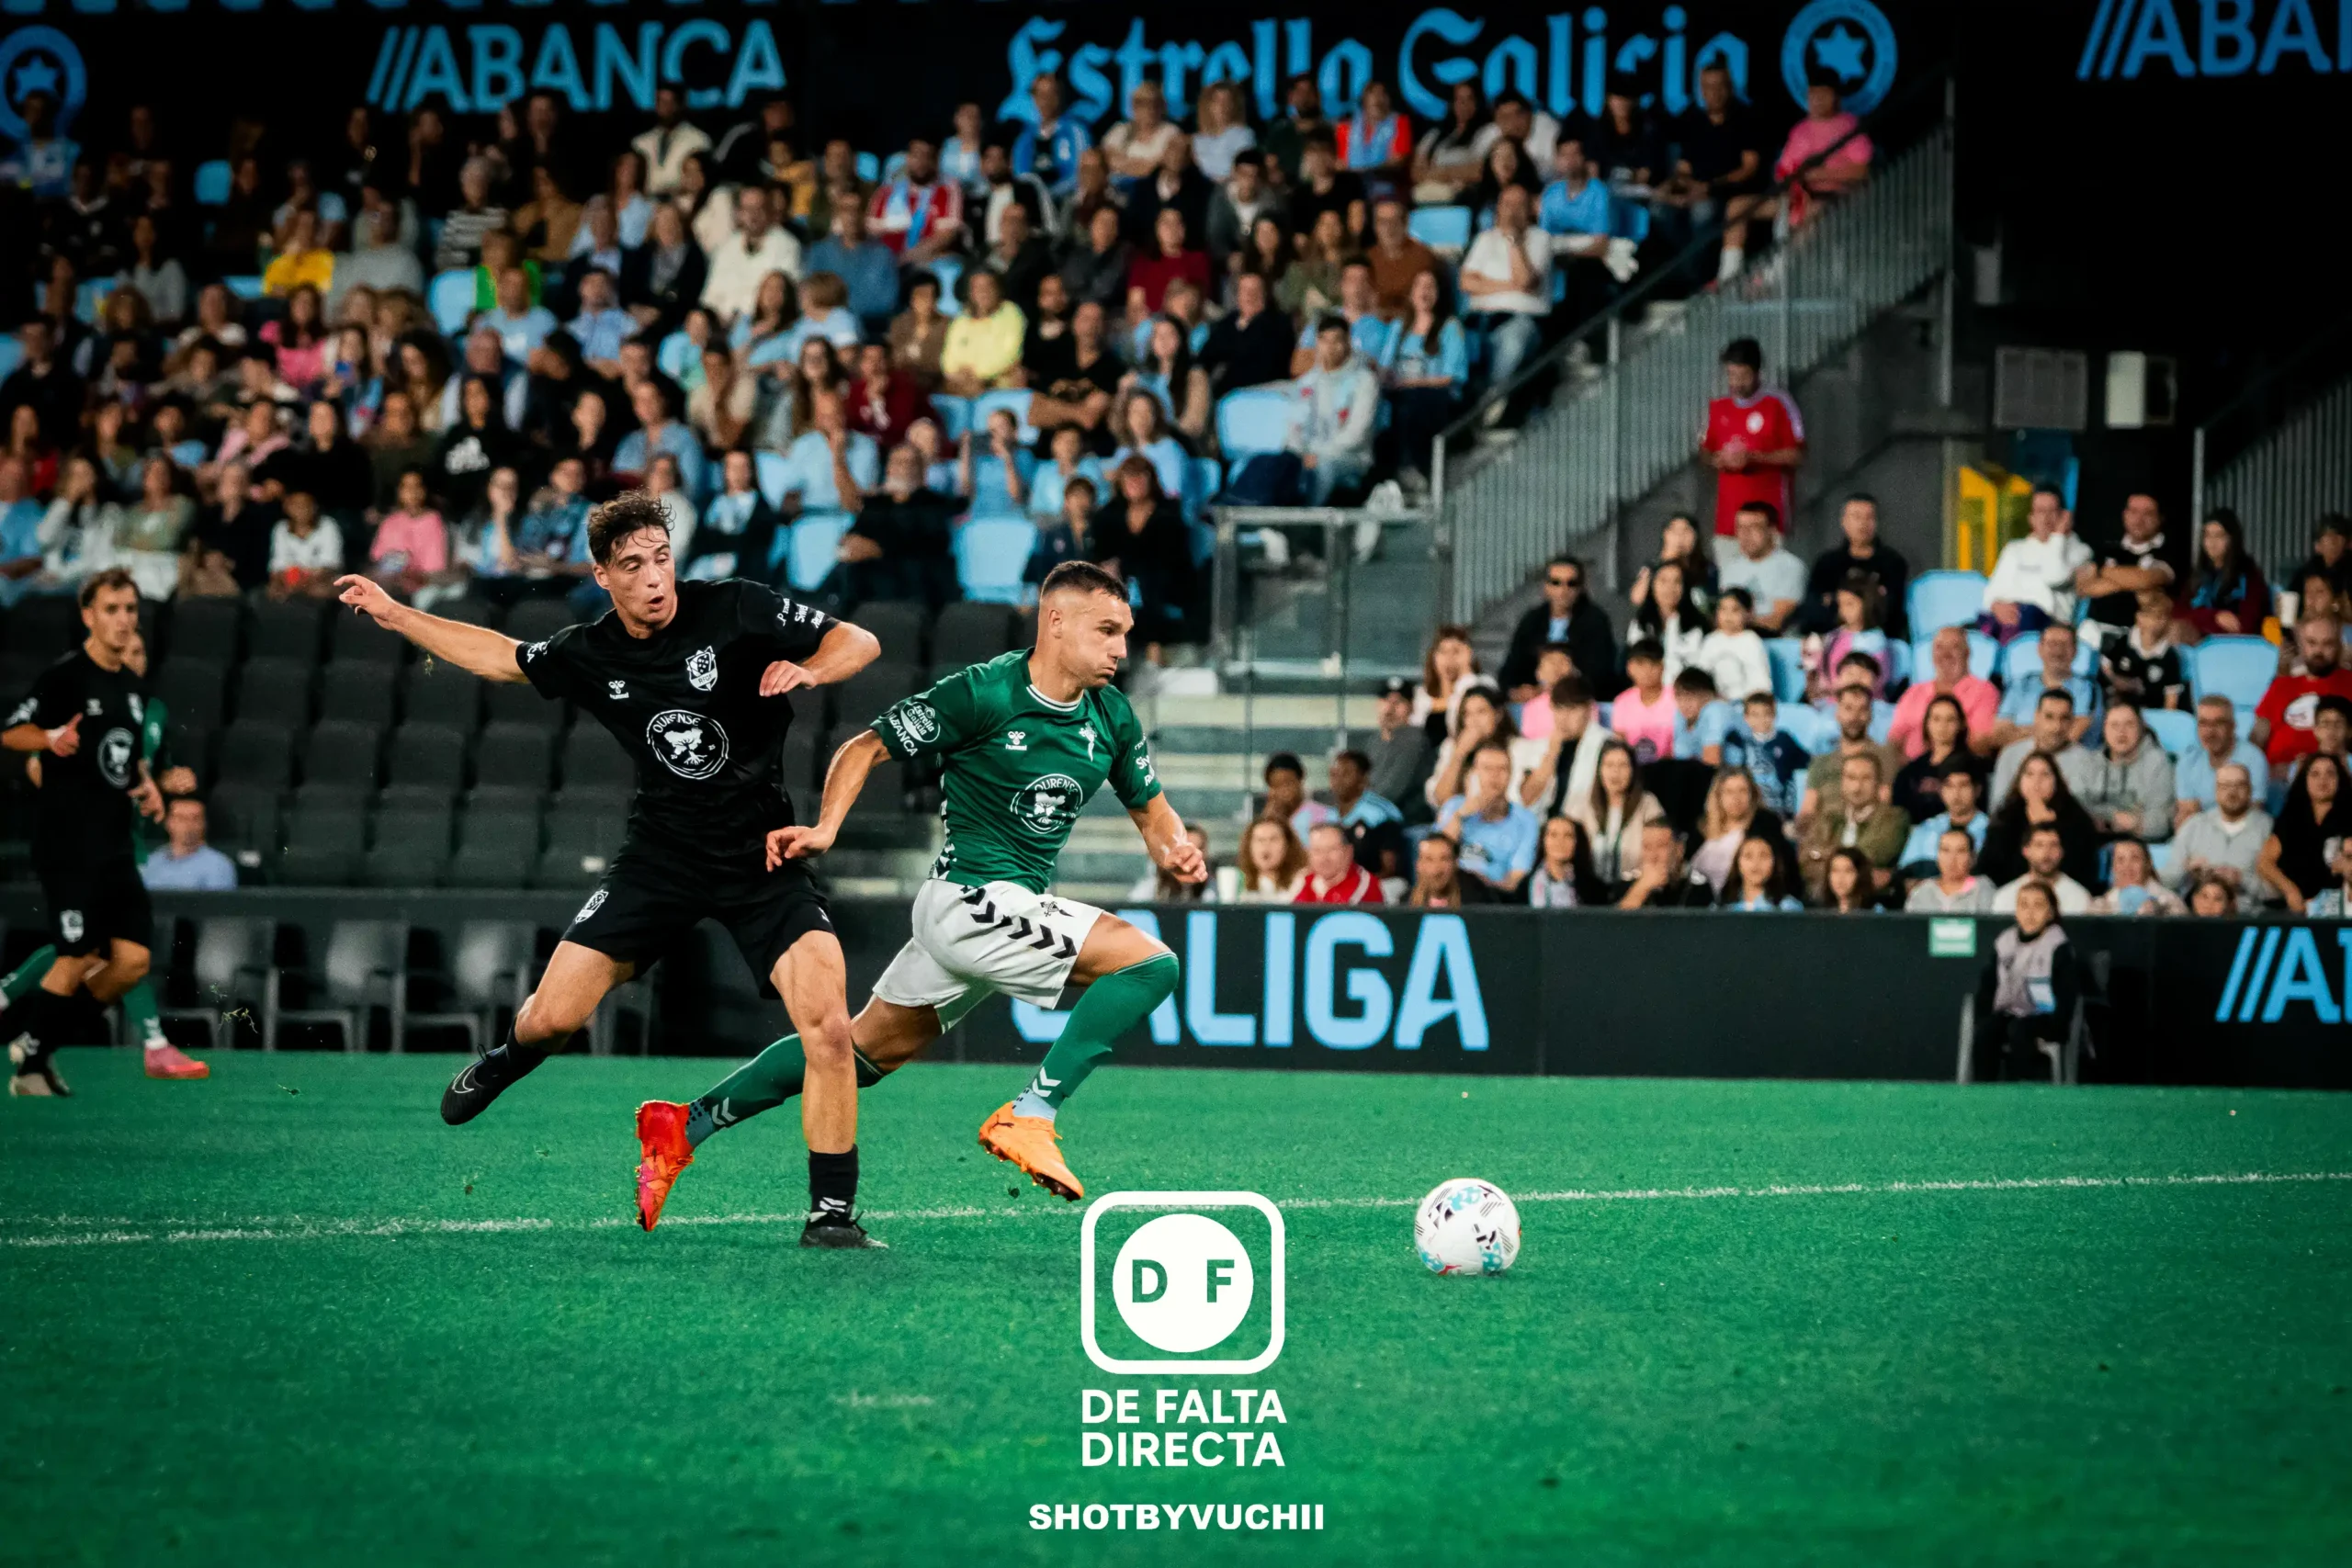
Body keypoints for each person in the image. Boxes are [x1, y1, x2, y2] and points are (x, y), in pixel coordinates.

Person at [335, 494, 889, 1245]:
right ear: (602, 575)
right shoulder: (590, 651)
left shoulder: (736, 608)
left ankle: (831, 1216)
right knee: (551, 1018)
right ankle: (506, 1058)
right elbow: (502, 656)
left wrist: (810, 671)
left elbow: (859, 641)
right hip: (659, 858)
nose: (656, 578)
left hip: (763, 854)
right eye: (634, 566)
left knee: (826, 1023)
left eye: (662, 558)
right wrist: (400, 615)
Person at [638, 558, 1198, 1221]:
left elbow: (1151, 807)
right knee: (1151, 964)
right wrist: (825, 827)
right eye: (1107, 630)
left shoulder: (1111, 715)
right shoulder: (983, 693)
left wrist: (1175, 849)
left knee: (857, 1054)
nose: (1120, 649)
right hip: (971, 900)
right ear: (1055, 620)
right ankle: (1031, 1113)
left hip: (993, 913)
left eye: (1125, 633)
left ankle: (682, 1125)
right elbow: (863, 747)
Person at [2, 570, 210, 1092]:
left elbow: (125, 762)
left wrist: (149, 786)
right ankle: (30, 1067)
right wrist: (50, 739)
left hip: (117, 845)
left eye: (130, 609)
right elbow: (12, 731)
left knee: (131, 962)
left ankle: (37, 1044)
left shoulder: (134, 691)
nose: (123, 619)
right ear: (88, 616)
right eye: (112, 609)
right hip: (69, 845)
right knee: (74, 957)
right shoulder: (66, 678)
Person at [1971, 881, 2078, 1083]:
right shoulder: (2005, 942)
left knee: (2019, 1031)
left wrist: (2056, 1023)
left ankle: (2024, 1089)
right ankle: (1981, 1092)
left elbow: (2066, 995)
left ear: (2050, 912)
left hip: (2046, 1017)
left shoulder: (2058, 946)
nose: (2030, 913)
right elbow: (1988, 986)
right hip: (2010, 1012)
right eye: (2023, 905)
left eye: (2038, 906)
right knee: (1987, 1031)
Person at [1699, 339, 1804, 544]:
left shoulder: (1778, 403)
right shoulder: (1718, 405)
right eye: (1731, 375)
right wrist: (1716, 460)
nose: (1736, 383)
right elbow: (1705, 451)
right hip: (1728, 526)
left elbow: (1797, 456)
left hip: (1770, 523)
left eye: (1743, 376)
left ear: (1757, 372)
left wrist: (1754, 458)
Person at [1458, 184, 1552, 403]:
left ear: (1530, 209)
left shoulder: (1541, 238)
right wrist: (1510, 285)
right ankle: (1462, 402)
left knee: (1513, 341)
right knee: (1453, 337)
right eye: (1507, 204)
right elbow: (1466, 282)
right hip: (1478, 318)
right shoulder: (1485, 238)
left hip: (1520, 319)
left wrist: (1513, 240)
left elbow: (1526, 281)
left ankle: (1491, 400)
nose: (1512, 210)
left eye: (1519, 205)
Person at [1288, 316, 1380, 507]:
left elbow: (1356, 434)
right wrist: (1300, 454)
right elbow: (1293, 428)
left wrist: (1318, 454)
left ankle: (1309, 524)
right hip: (1308, 456)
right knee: (1280, 464)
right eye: (1324, 340)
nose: (1330, 347)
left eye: (1336, 340)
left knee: (1324, 467)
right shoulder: (1306, 383)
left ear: (1347, 342)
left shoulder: (1364, 381)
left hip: (1350, 459)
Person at [1499, 553, 1619, 698]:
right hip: (1534, 705)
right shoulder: (1532, 620)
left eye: (1571, 583)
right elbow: (1510, 668)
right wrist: (1515, 692)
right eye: (1556, 582)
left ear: (1581, 588)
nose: (1563, 591)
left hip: (1577, 701)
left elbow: (1601, 675)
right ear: (1546, 586)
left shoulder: (1596, 620)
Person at [1981, 485, 2093, 639]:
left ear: (2064, 516)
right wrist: (1997, 606)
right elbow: (1991, 592)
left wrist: (2058, 537)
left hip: (2051, 627)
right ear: (2031, 518)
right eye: (2040, 511)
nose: (2046, 518)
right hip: (2009, 623)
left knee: (2030, 615)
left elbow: (2055, 577)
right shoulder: (2014, 549)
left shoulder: (2079, 550)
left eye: (2052, 511)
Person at [2253, 612, 2352, 778]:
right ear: (2301, 645)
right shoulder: (2281, 685)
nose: (2319, 651)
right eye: (2312, 643)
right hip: (2279, 779)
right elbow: (2256, 738)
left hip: (2336, 777)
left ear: (2339, 646)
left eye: (2327, 644)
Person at [1435, 741, 1541, 897]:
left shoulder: (1526, 820)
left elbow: (1513, 881)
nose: (1495, 775)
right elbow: (1436, 860)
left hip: (1493, 897)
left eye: (1502, 769)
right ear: (1473, 773)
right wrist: (1460, 816)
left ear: (1511, 775)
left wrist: (1481, 885)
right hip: (1449, 893)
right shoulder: (1453, 807)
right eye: (1487, 768)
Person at [1798, 750, 1908, 899]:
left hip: (1872, 901)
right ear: (1842, 782)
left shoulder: (1893, 818)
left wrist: (1822, 855)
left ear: (1878, 783)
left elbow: (1869, 856)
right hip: (1825, 900)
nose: (1857, 787)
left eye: (1866, 778)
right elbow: (1805, 861)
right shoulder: (1828, 817)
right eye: (1851, 778)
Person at [2076, 491, 2185, 640]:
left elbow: (2145, 580)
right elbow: (2084, 586)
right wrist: (2131, 581)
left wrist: (2102, 573)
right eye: (2134, 512)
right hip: (2095, 630)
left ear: (2160, 519)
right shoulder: (2107, 550)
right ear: (2125, 515)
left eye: (2148, 514)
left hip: (2142, 636)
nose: (2139, 520)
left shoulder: (2169, 553)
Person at [2257, 750, 2352, 916]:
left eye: (2330, 773)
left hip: (2341, 908)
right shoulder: (2291, 817)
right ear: (2305, 780)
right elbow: (2265, 862)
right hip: (2295, 907)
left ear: (2340, 780)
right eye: (2315, 774)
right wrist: (2290, 891)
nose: (2323, 780)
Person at [2170, 761, 2270, 912]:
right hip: (2199, 918)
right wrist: (2187, 869)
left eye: (2239, 785)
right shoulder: (2194, 826)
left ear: (2250, 790)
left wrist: (2243, 880)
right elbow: (2167, 881)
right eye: (2225, 786)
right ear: (2216, 791)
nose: (2232, 792)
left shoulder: (2269, 828)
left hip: (2249, 919)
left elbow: (2279, 892)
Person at [2078, 703, 2177, 842]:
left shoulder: (2158, 762)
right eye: (2114, 725)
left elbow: (2161, 824)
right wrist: (2118, 819)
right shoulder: (2090, 762)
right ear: (2104, 729)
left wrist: (2109, 819)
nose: (2121, 732)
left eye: (2129, 724)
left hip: (2143, 845)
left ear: (2141, 728)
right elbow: (2077, 811)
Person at [1991, 621, 2098, 750]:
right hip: (2017, 758)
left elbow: (2073, 735)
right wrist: (2049, 733)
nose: (2058, 651)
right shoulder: (2019, 685)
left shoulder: (2086, 688)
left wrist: (2022, 731)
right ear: (2039, 649)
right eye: (2052, 644)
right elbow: (1999, 734)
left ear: (2075, 651)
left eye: (2064, 645)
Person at [1572, 739, 1662, 888]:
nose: (1615, 772)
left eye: (1623, 765)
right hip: (1588, 888)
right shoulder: (1581, 803)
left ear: (1633, 770)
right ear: (1599, 769)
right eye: (1609, 765)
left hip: (1633, 886)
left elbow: (1658, 848)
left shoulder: (1648, 804)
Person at [2173, 507, 2270, 643]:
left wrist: (2203, 621)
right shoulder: (2199, 574)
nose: (2211, 543)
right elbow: (2179, 613)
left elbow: (2246, 625)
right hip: (2201, 640)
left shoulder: (2249, 575)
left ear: (2232, 539)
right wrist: (2214, 616)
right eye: (2207, 536)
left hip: (2237, 643)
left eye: (2219, 536)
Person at [1715, 501, 1805, 635]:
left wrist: (1737, 621)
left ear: (1772, 530)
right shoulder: (1730, 568)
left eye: (1754, 527)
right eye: (1740, 528)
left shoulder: (1791, 566)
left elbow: (1776, 622)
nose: (1745, 535)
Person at [1719, 691, 1811, 819]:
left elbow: (1807, 762)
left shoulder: (1784, 739)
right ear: (1746, 718)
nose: (1761, 720)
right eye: (1755, 715)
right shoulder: (1742, 744)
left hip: (1783, 810)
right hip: (1752, 810)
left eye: (1766, 714)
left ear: (1774, 715)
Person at [1987, 808, 2097, 916]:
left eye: (2053, 845)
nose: (2046, 852)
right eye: (2039, 845)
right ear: (2026, 851)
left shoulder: (2079, 897)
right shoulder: (2006, 896)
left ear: (2062, 851)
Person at [1690, 767, 1781, 891]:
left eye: (1742, 791)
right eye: (1729, 792)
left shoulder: (1765, 827)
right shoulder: (1702, 829)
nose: (1736, 798)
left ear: (1752, 794)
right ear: (1718, 796)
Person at [1896, 764, 1989, 882]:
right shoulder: (1925, 829)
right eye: (1949, 786)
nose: (1956, 794)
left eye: (1963, 785)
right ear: (1941, 790)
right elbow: (1905, 874)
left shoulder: (1992, 830)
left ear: (1977, 790)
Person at [2102, 587, 2189, 712]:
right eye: (2152, 616)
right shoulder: (2124, 641)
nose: (2157, 622)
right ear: (2139, 617)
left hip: (2151, 712)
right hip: (2118, 707)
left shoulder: (2169, 656)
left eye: (2162, 617)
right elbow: (2105, 667)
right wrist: (2117, 681)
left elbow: (2171, 700)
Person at [1366, 677, 1437, 811]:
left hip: (1408, 825)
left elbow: (1390, 792)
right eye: (1386, 700)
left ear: (1412, 708)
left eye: (1399, 702)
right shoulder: (1375, 741)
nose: (1390, 709)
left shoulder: (1414, 740)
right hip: (1378, 818)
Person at [140, 795, 237, 892]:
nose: (188, 824)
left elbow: (218, 905)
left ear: (204, 824)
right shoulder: (151, 861)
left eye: (195, 818)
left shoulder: (219, 865)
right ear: (168, 823)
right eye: (181, 818)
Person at [1695, 587, 1772, 703]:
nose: (1728, 616)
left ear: (1748, 613)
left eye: (1735, 610)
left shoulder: (1751, 641)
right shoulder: (1710, 640)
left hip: (1744, 704)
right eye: (1723, 609)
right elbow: (1700, 676)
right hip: (1713, 703)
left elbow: (1761, 683)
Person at [1610, 639, 1677, 763]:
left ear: (1662, 667)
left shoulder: (1676, 698)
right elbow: (1619, 744)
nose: (1647, 670)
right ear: (1629, 667)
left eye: (1653, 664)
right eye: (1640, 664)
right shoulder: (1622, 702)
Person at [1906, 828, 1994, 912]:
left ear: (1972, 857)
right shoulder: (1923, 891)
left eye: (1960, 851)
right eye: (1945, 850)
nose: (1952, 859)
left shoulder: (1983, 889)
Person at [1296, 820, 1384, 905]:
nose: (1324, 858)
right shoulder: (1304, 881)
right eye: (1317, 851)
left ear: (1348, 852)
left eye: (1331, 849)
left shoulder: (1363, 885)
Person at [2091, 839, 2186, 915]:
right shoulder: (2102, 906)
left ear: (2148, 863)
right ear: (2113, 867)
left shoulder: (2169, 902)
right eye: (2120, 860)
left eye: (2135, 858)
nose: (2127, 866)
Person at [1525, 814, 1601, 908]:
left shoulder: (1593, 888)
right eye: (1553, 835)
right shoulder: (1524, 887)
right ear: (1543, 842)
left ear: (1577, 843)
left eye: (1568, 836)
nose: (1560, 842)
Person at [1227, 818, 1309, 903]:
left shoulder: (1301, 882)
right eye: (1260, 840)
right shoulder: (1237, 882)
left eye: (1273, 839)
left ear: (1288, 845)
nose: (1266, 846)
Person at [1719, 831, 1804, 911]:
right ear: (1737, 863)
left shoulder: (1789, 908)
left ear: (1774, 862)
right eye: (1748, 856)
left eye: (1764, 856)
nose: (1756, 863)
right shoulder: (1723, 908)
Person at [1407, 832, 1494, 908]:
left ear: (1455, 863)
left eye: (1444, 859)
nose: (1436, 869)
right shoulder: (1405, 903)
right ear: (1418, 865)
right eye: (1429, 859)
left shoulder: (1476, 898)